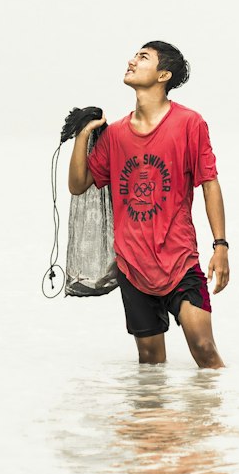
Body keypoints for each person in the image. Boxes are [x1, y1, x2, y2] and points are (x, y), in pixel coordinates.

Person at [67, 41, 229, 369]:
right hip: (132, 264)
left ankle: (217, 419)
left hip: (179, 261)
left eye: (143, 57)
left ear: (163, 75)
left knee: (204, 350)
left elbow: (209, 183)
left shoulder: (189, 123)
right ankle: (151, 421)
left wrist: (221, 246)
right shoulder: (114, 135)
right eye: (134, 55)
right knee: (151, 364)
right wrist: (83, 136)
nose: (131, 60)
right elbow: (78, 185)